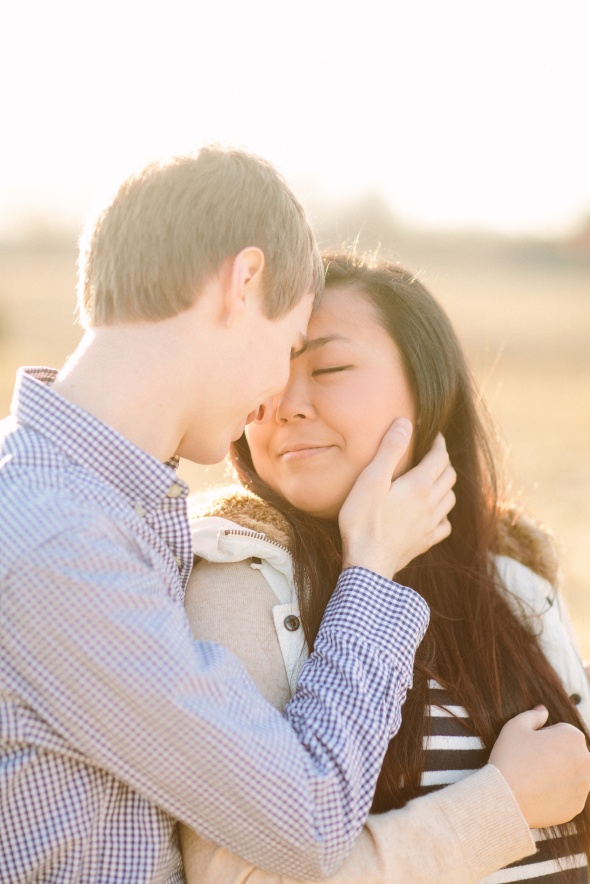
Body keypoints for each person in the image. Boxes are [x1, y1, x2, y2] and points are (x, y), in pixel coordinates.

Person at [0, 147, 467, 882]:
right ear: (243, 282)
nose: (279, 392)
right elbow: (307, 821)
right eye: (289, 346)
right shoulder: (58, 544)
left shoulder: (89, 510)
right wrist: (372, 566)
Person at [181, 250, 590, 882]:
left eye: (331, 366)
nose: (287, 402)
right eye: (267, 374)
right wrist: (501, 807)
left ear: (429, 389)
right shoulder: (235, 577)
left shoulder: (518, 576)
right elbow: (240, 876)